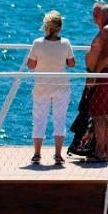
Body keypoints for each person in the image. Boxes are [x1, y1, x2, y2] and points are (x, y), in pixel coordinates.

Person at [27, 10, 76, 166]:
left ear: (46, 26)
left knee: (39, 119)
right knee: (59, 120)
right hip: (61, 86)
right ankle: (57, 154)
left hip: (42, 86)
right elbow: (71, 63)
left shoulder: (37, 43)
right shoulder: (66, 43)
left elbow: (31, 64)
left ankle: (37, 154)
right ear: (60, 27)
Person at [83, 0, 108, 164]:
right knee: (103, 113)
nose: (94, 16)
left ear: (106, 14)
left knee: (99, 114)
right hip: (103, 75)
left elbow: (106, 55)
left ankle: (100, 151)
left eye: (97, 13)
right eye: (93, 13)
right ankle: (103, 150)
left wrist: (94, 75)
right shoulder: (106, 30)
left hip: (103, 75)